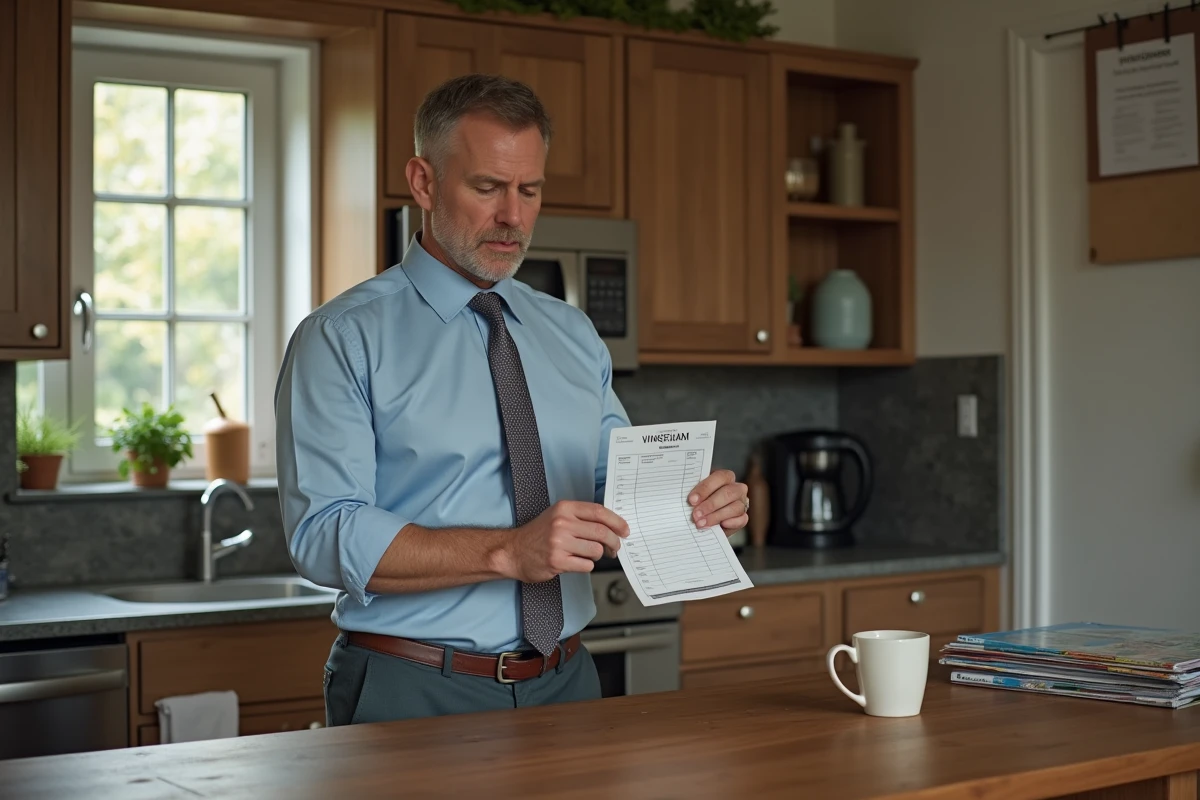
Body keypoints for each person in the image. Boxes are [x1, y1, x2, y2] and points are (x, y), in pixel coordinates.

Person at [275, 73, 750, 726]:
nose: (513, 216)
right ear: (423, 181)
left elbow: (616, 491)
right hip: (410, 687)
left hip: (567, 682)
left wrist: (692, 503)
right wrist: (506, 552)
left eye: (529, 190)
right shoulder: (341, 338)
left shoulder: (571, 333)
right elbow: (323, 534)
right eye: (487, 187)